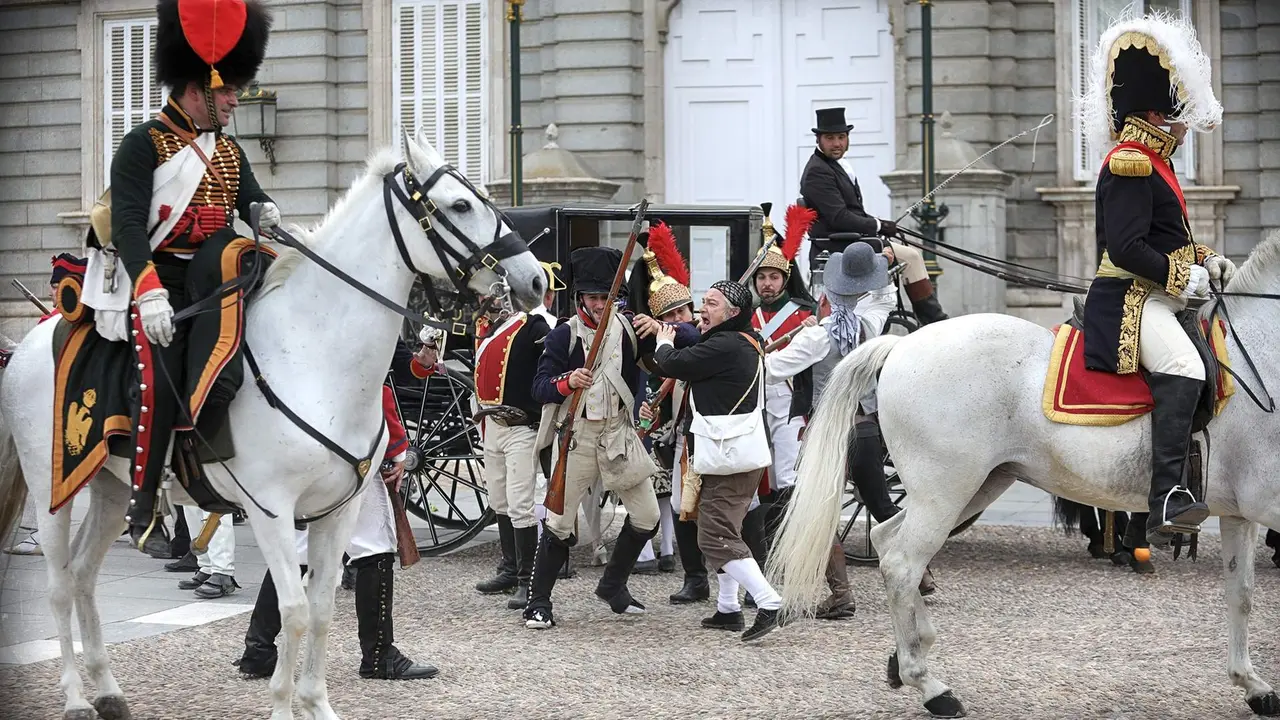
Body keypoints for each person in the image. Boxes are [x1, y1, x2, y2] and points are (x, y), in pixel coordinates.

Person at [108, 0, 279, 555]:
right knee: (160, 378)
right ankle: (146, 500)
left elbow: (251, 202)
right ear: (198, 87)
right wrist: (148, 287)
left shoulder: (227, 150)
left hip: (216, 282)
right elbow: (129, 226)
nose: (236, 99)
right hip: (161, 282)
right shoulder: (144, 144)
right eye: (228, 90)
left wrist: (269, 213)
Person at [1078, 13, 1233, 546]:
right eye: (1181, 116)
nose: (1187, 127)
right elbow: (1125, 248)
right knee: (1185, 365)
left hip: (1158, 293)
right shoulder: (1131, 162)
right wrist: (1179, 274)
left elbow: (1166, 235)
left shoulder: (1154, 161)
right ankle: (1166, 495)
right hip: (1131, 298)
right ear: (1158, 114)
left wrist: (1206, 259)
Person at [524, 246, 697, 629]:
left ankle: (613, 586)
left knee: (649, 515)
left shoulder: (630, 328)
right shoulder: (563, 336)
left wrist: (660, 331)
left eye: (606, 297)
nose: (600, 304)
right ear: (580, 298)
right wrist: (567, 382)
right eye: (593, 298)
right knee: (557, 523)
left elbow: (677, 347)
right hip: (579, 437)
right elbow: (539, 388)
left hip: (619, 434)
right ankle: (537, 602)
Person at [235, 376, 437, 681]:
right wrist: (396, 445)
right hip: (347, 449)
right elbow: (369, 383)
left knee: (299, 551)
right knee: (374, 546)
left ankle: (258, 649)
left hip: (300, 445)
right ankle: (379, 656)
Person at [648, 280, 783, 642]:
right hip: (732, 452)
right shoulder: (741, 339)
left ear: (733, 314)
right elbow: (695, 343)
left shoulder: (725, 344)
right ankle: (728, 608)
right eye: (703, 302)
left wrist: (663, 338)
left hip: (729, 456)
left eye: (711, 304)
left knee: (714, 534)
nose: (701, 310)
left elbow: (671, 363)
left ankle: (769, 601)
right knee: (721, 527)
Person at [799, 107, 949, 325]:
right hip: (838, 247)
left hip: (854, 240)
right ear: (818, 139)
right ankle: (935, 321)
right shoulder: (817, 171)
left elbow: (853, 212)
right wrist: (878, 226)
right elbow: (839, 217)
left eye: (841, 137)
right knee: (911, 257)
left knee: (912, 256)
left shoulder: (836, 166)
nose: (837, 143)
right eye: (830, 138)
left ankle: (932, 319)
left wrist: (880, 224)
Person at [628, 223, 707, 601]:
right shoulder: (670, 346)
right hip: (685, 439)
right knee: (679, 505)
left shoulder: (698, 336)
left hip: (715, 436)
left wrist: (664, 327)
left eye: (683, 311)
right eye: (671, 314)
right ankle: (696, 578)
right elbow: (669, 385)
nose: (680, 318)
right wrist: (653, 411)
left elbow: (690, 336)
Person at [469, 290, 551, 612]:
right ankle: (508, 567)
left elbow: (552, 357)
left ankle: (526, 580)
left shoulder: (533, 327)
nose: (490, 304)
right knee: (499, 500)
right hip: (494, 425)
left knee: (520, 503)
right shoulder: (487, 332)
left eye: (497, 298)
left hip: (521, 426)